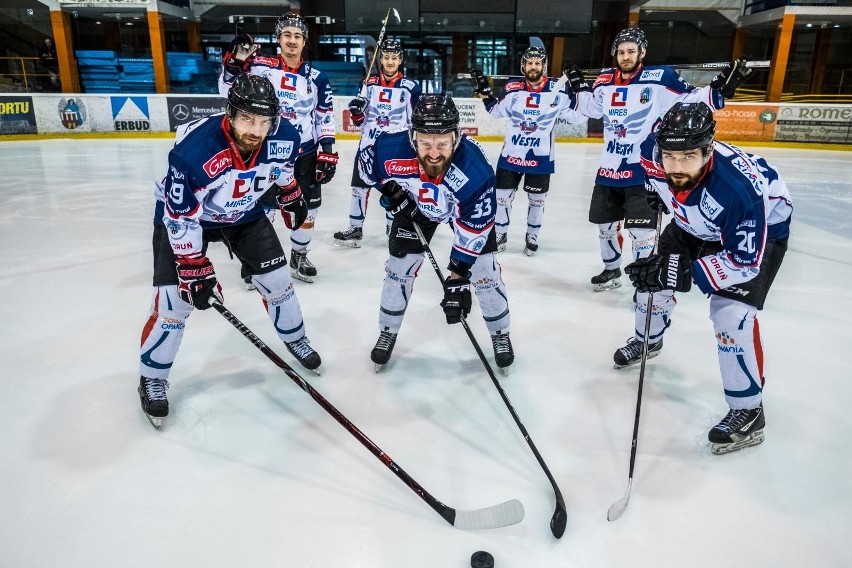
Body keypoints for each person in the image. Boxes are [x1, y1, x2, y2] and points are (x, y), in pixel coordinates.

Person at [137, 74, 321, 427]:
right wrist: (194, 266)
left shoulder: (285, 136)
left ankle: (296, 340)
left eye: (265, 121)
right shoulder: (195, 153)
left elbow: (281, 169)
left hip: (244, 213)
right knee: (175, 304)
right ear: (231, 114)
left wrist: (290, 192)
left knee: (279, 282)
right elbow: (180, 216)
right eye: (248, 119)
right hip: (187, 220)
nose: (257, 129)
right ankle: (153, 377)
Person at [619, 102, 792, 454]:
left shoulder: (739, 191)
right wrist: (655, 191)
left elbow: (744, 264)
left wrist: (684, 271)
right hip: (692, 221)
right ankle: (648, 339)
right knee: (649, 284)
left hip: (757, 233)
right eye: (670, 157)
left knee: (730, 314)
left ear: (708, 150)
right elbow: (651, 172)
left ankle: (749, 409)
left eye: (688, 158)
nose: (677, 167)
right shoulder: (653, 152)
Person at [565, 27, 753, 291]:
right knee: (605, 226)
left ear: (642, 52)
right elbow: (590, 108)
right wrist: (579, 88)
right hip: (609, 170)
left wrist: (720, 88)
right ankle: (611, 270)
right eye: (621, 52)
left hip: (644, 171)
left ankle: (644, 279)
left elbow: (691, 99)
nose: (626, 56)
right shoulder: (605, 80)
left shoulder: (661, 78)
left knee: (642, 233)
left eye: (631, 51)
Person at [358, 94, 514, 372]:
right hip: (418, 207)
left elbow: (474, 228)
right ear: (413, 136)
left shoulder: (475, 171)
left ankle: (500, 332)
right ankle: (388, 330)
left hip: (462, 212)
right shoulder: (391, 148)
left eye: (442, 144)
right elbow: (366, 168)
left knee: (485, 272)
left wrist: (457, 278)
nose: (433, 152)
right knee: (398, 269)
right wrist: (394, 192)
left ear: (456, 137)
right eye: (425, 143)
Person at [219, 13, 337, 283]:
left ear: (304, 41)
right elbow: (227, 89)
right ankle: (257, 258)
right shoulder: (259, 66)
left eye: (297, 36)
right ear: (278, 39)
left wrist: (327, 150)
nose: (292, 41)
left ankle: (299, 254)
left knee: (309, 208)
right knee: (264, 208)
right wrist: (234, 63)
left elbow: (324, 115)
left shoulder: (318, 77)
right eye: (287, 35)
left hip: (304, 153)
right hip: (268, 151)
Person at [470, 46, 585, 256]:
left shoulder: (557, 88)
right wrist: (486, 95)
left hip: (540, 158)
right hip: (511, 156)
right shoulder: (513, 87)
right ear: (523, 66)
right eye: (529, 63)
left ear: (544, 65)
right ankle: (500, 233)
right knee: (502, 198)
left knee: (537, 201)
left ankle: (532, 236)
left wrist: (581, 90)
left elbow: (578, 117)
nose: (533, 67)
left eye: (537, 63)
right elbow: (497, 112)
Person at [333, 38, 421, 247]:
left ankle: (394, 227)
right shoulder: (368, 84)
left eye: (394, 57)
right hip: (368, 146)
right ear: (380, 59)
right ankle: (355, 229)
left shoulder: (410, 87)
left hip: (396, 148)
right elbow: (360, 120)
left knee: (396, 189)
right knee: (359, 187)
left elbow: (415, 121)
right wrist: (356, 112)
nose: (390, 61)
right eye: (386, 57)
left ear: (400, 60)